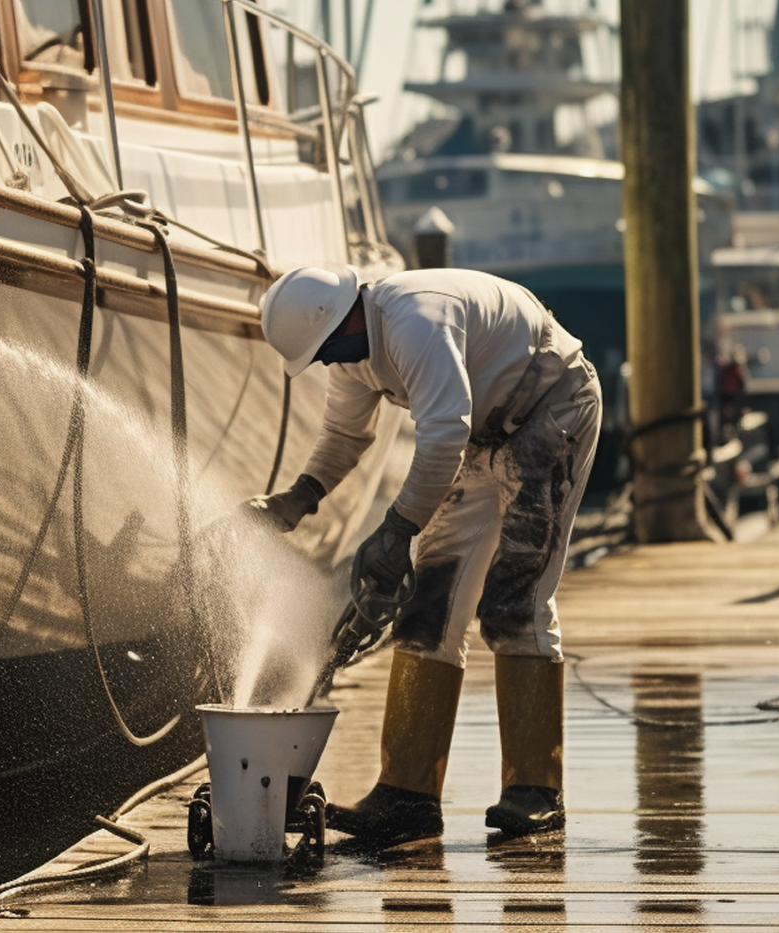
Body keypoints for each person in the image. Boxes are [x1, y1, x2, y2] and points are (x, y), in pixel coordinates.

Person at [246, 265, 600, 849]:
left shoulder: (416, 319)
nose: (330, 363)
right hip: (481, 436)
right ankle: (407, 795)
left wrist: (396, 529)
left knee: (516, 597)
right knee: (427, 607)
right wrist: (297, 498)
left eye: (329, 350)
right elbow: (344, 435)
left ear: (346, 318)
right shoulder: (351, 350)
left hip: (551, 410)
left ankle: (536, 790)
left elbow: (441, 435)